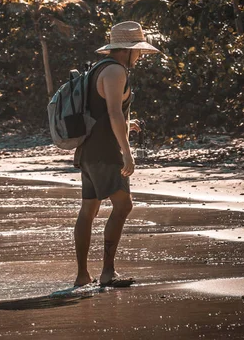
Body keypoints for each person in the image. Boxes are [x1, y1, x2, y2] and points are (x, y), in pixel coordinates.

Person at [73, 21, 161, 287]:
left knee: (89, 209)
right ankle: (107, 273)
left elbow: (103, 111)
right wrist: (127, 152)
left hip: (88, 148)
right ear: (128, 50)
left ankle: (82, 276)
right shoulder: (115, 71)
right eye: (139, 53)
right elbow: (112, 112)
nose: (140, 58)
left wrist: (127, 124)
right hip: (105, 150)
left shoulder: (96, 69)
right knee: (123, 205)